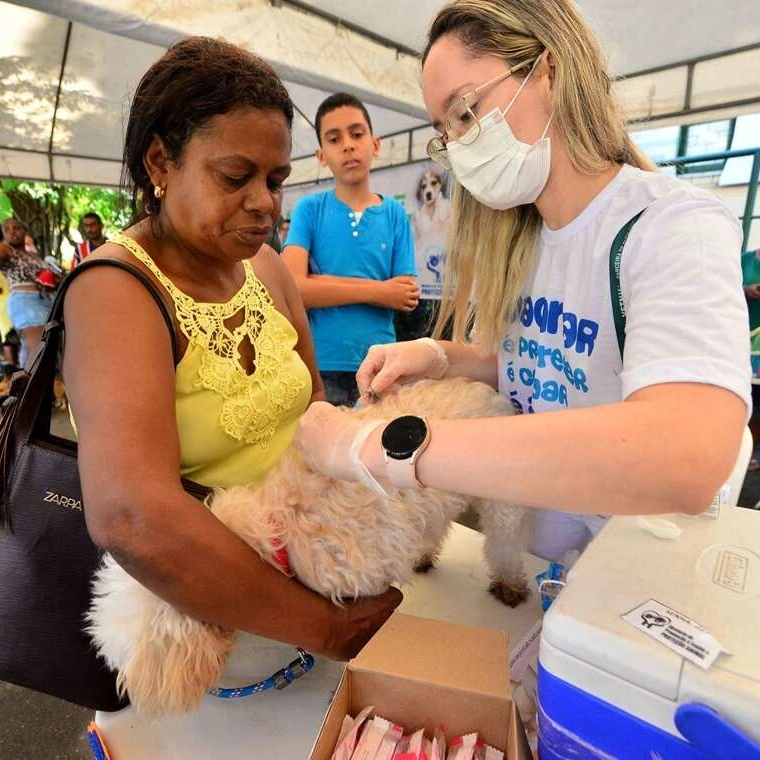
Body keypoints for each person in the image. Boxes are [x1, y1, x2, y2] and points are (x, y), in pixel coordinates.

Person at [294, 0, 750, 562]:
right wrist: (440, 356)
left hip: (632, 573)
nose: (459, 145)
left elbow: (687, 454)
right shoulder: (524, 242)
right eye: (444, 132)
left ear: (548, 72)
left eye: (465, 112)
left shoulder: (673, 225)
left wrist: (378, 445)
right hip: (542, 561)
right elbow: (547, 363)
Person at [61, 37, 400, 747]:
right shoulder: (118, 290)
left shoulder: (267, 269)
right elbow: (132, 518)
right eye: (235, 176)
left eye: (274, 181)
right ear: (161, 164)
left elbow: (314, 412)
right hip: (217, 635)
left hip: (323, 592)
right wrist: (325, 625)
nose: (264, 205)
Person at [282, 92, 419, 406]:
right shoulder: (309, 209)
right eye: (334, 138)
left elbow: (405, 294)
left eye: (357, 134)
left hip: (381, 365)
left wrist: (318, 284)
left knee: (372, 452)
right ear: (320, 155)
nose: (347, 145)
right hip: (319, 365)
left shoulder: (395, 213)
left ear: (375, 143)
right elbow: (292, 290)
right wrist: (377, 292)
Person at [0, 217, 49, 367]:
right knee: (38, 353)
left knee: (46, 350)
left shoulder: (33, 255)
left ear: (25, 231)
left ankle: (31, 386)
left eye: (16, 228)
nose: (12, 232)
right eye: (7, 230)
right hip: (25, 302)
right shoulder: (6, 250)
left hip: (47, 301)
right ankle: (29, 388)